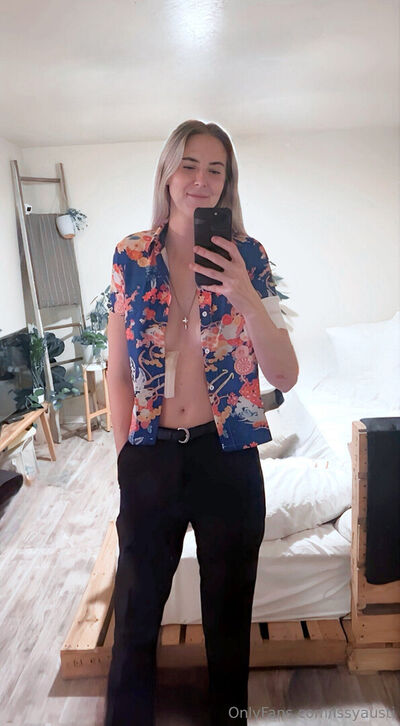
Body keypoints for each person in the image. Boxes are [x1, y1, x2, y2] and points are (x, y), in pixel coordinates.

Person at [104, 119, 299, 726]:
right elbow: (116, 371)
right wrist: (125, 457)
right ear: (167, 173)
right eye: (189, 164)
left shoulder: (250, 257)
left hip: (228, 456)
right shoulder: (131, 256)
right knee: (136, 612)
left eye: (216, 169)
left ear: (228, 182)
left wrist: (244, 293)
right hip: (151, 453)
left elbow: (285, 373)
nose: (201, 179)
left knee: (229, 618)